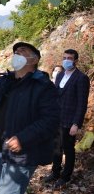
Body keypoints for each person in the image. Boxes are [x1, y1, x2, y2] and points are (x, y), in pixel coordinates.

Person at [0, 42, 60, 194]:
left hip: (23, 152)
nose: (16, 53)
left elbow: (50, 120)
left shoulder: (43, 86)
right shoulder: (5, 81)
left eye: (22, 50)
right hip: (0, 148)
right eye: (15, 51)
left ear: (34, 60)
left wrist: (23, 138)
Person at [44, 49, 90, 188]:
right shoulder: (59, 75)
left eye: (69, 58)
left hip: (70, 121)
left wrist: (76, 123)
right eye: (64, 57)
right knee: (56, 148)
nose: (66, 60)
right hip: (57, 119)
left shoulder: (81, 78)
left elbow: (82, 103)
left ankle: (66, 176)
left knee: (68, 150)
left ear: (76, 61)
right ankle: (55, 172)